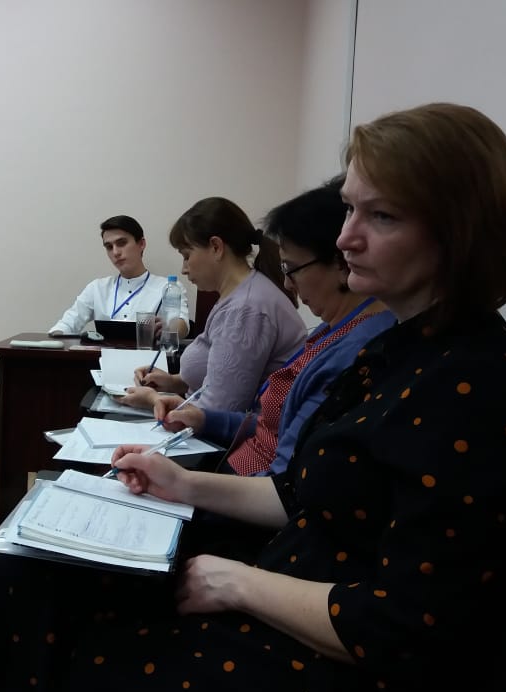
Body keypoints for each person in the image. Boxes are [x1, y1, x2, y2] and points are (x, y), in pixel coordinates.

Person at [0, 103, 506, 692]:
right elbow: (299, 491)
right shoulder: (400, 350)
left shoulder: (476, 388)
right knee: (36, 564)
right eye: (349, 210)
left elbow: (401, 629)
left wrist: (238, 584)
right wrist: (181, 482)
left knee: (44, 608)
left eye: (383, 217)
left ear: (459, 231)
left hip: (309, 646)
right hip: (280, 581)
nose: (346, 239)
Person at [157, 176, 395, 476]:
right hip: (239, 465)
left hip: (248, 480)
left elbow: (282, 481)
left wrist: (183, 483)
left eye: (291, 269)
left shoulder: (357, 348)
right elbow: (268, 425)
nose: (287, 284)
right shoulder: (329, 331)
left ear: (340, 262)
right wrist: (202, 419)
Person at [119, 196, 307, 413]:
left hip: (228, 432)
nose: (184, 269)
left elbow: (219, 411)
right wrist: (173, 382)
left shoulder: (245, 309)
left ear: (216, 247)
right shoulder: (240, 295)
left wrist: (154, 400)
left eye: (187, 256)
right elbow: (219, 380)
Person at [48, 215, 190, 337]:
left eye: (121, 243)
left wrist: (169, 327)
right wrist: (56, 337)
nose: (115, 252)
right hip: (102, 358)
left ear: (141, 244)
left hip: (149, 359)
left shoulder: (169, 287)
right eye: (109, 247)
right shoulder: (97, 288)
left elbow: (182, 325)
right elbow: (67, 323)